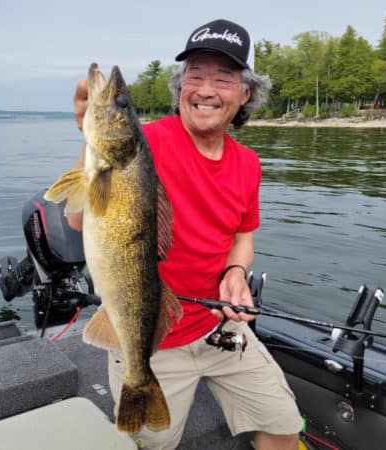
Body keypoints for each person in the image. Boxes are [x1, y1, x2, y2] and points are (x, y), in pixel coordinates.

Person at [68, 19, 301, 450]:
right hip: (149, 337)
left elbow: (243, 236)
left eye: (223, 78)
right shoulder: (147, 143)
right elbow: (80, 220)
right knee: (152, 444)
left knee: (284, 426)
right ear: (180, 87)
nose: (206, 89)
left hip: (219, 327)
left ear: (245, 93)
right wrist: (90, 137)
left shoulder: (248, 163)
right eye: (195, 75)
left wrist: (235, 271)